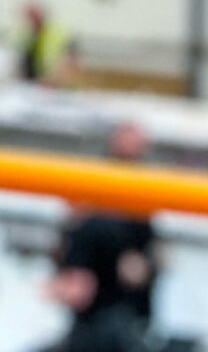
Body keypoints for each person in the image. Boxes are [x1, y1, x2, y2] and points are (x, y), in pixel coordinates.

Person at [40, 123, 161, 352]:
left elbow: (147, 258)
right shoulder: (95, 197)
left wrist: (144, 266)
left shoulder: (142, 196)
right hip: (94, 315)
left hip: (121, 313)